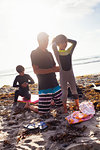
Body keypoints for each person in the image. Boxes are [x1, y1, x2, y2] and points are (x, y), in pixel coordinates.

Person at [30, 32, 63, 114]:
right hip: (44, 87)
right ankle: (30, 106)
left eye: (47, 40)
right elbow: (36, 71)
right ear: (39, 41)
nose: (46, 42)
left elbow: (54, 67)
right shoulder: (34, 53)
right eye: (44, 40)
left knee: (62, 105)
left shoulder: (49, 53)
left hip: (55, 84)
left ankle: (51, 100)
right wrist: (52, 70)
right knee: (43, 112)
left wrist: (63, 68)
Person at [52, 34, 79, 113]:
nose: (65, 44)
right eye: (63, 42)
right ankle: (65, 109)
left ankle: (77, 106)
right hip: (63, 76)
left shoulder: (69, 51)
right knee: (64, 92)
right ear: (58, 43)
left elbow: (75, 42)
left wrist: (66, 39)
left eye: (65, 42)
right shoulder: (57, 53)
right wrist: (56, 40)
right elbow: (53, 45)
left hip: (71, 75)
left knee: (74, 90)